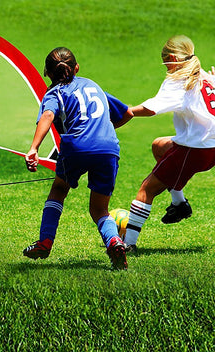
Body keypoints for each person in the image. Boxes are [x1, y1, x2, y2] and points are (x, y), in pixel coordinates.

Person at [22, 47, 132, 270]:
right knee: (99, 209)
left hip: (76, 146)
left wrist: (34, 147)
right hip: (109, 147)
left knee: (59, 190)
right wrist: (102, 131)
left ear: (47, 73)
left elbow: (48, 115)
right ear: (77, 68)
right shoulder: (92, 85)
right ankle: (114, 241)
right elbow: (126, 113)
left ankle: (45, 241)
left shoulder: (54, 93)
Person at [124, 35, 215, 252]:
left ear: (173, 58)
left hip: (196, 150)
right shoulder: (206, 77)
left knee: (146, 190)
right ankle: (179, 204)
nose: (166, 67)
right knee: (160, 145)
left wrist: (128, 112)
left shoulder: (179, 80)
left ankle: (127, 245)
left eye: (165, 62)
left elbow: (152, 108)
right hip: (209, 147)